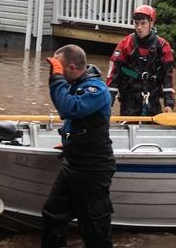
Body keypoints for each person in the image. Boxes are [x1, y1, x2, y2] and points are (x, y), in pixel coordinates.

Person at [42, 45, 116, 248]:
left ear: (72, 67)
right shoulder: (75, 83)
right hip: (73, 164)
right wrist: (68, 141)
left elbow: (70, 109)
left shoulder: (96, 89)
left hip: (93, 168)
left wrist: (56, 79)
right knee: (52, 215)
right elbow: (73, 123)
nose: (56, 71)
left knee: (94, 228)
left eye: (59, 67)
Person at [107, 4, 175, 116]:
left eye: (143, 23)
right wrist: (109, 103)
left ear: (151, 23)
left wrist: (169, 103)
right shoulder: (125, 44)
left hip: (153, 99)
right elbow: (114, 74)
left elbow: (168, 77)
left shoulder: (163, 46)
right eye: (136, 23)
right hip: (129, 100)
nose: (139, 27)